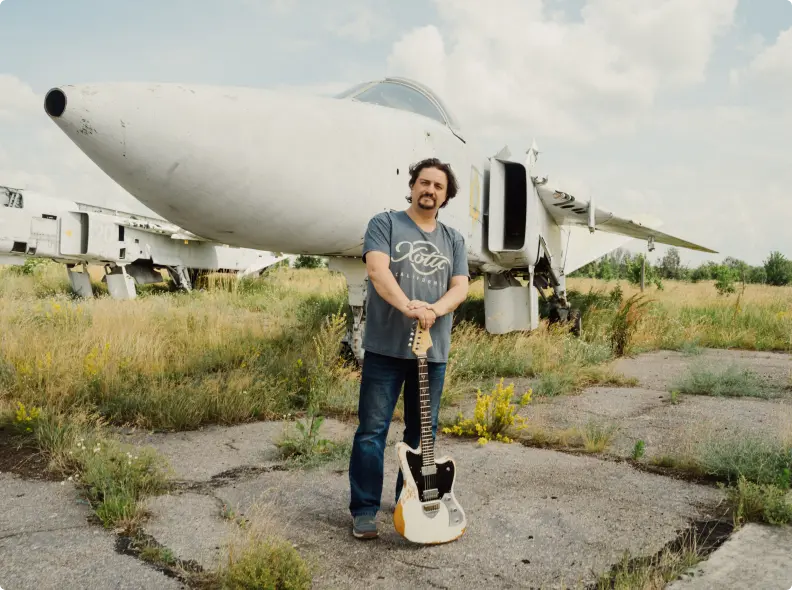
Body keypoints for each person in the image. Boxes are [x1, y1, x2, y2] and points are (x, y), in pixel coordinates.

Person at [348, 157, 469, 539]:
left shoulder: (454, 240)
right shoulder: (384, 223)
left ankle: (408, 501)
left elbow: (461, 287)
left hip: (432, 352)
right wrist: (408, 306)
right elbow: (377, 270)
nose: (430, 190)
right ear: (413, 185)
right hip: (385, 349)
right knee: (372, 431)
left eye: (438, 186)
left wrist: (433, 310)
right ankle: (364, 509)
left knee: (422, 434)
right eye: (424, 182)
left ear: (446, 196)